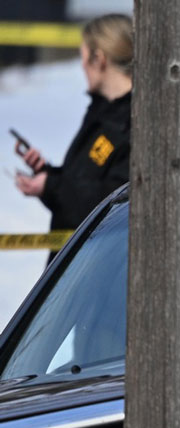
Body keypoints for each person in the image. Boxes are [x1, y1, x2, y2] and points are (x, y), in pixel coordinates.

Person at [14, 14, 133, 252]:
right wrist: (47, 174)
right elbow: (83, 187)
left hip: (103, 268)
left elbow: (115, 205)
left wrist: (52, 186)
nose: (81, 65)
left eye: (84, 57)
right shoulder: (101, 112)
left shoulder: (135, 120)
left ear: (99, 59)